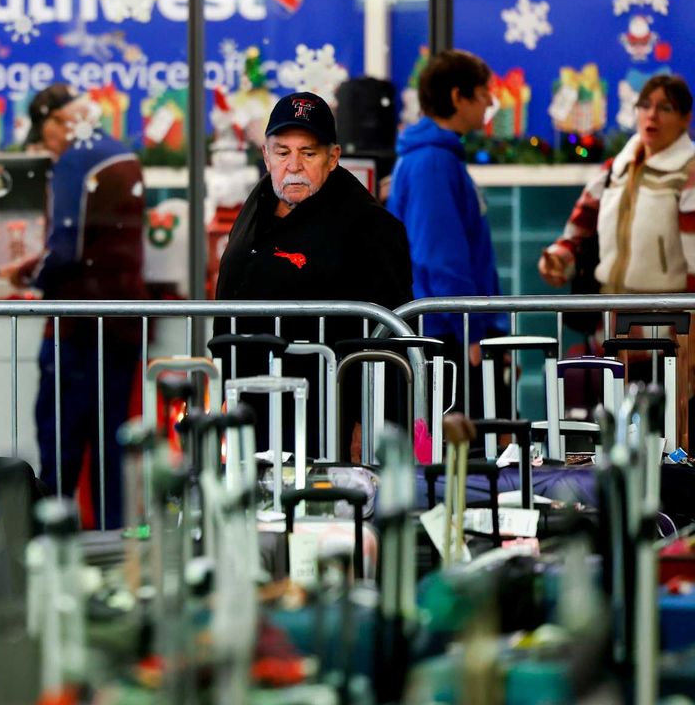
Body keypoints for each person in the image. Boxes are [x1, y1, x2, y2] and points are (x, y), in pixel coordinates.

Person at [212, 91, 413, 458]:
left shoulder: (368, 225)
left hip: (325, 415)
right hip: (251, 404)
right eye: (282, 151)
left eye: (309, 153)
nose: (294, 165)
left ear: (332, 157)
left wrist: (365, 421)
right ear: (266, 155)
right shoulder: (257, 204)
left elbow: (390, 331)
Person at [0, 83, 147, 528]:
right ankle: (112, 550)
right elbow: (98, 240)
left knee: (59, 446)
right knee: (109, 449)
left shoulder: (75, 160)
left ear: (59, 122)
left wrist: (28, 274)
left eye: (46, 138)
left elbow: (65, 251)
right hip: (120, 324)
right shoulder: (120, 153)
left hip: (76, 330)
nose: (48, 148)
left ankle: (50, 547)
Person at [387, 49, 509, 418]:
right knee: (454, 458)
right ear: (458, 96)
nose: (491, 100)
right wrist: (470, 329)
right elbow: (440, 256)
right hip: (444, 334)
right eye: (483, 91)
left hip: (447, 328)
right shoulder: (433, 162)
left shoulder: (436, 156)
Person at [539, 73, 695, 294]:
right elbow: (577, 235)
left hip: (668, 318)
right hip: (609, 312)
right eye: (645, 105)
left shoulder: (690, 173)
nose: (652, 115)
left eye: (665, 108)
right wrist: (559, 260)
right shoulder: (614, 169)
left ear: (685, 118)